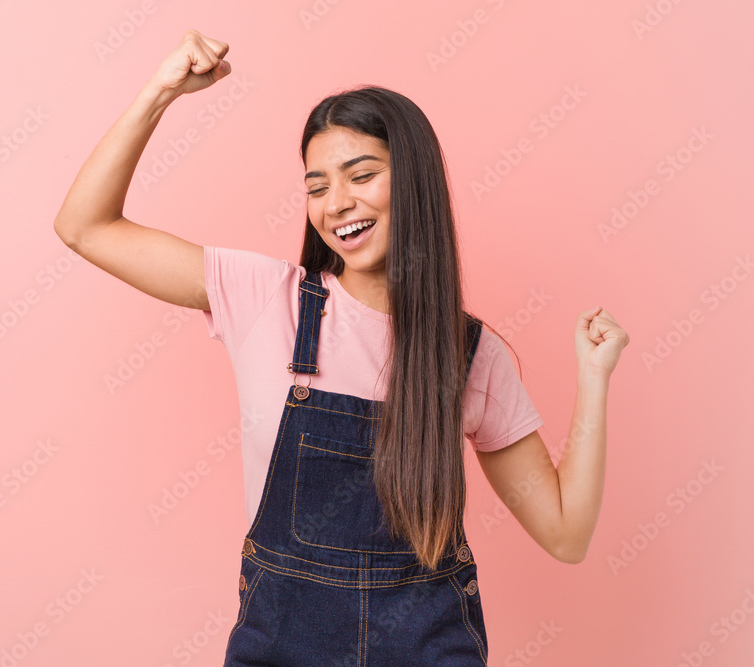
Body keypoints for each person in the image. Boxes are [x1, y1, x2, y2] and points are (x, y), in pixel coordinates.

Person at [53, 28, 630, 667]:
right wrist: (161, 91)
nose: (337, 204)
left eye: (362, 176)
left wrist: (594, 377)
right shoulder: (264, 297)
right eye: (317, 185)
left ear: (413, 181)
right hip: (282, 645)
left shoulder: (468, 353)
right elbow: (85, 226)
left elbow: (566, 534)